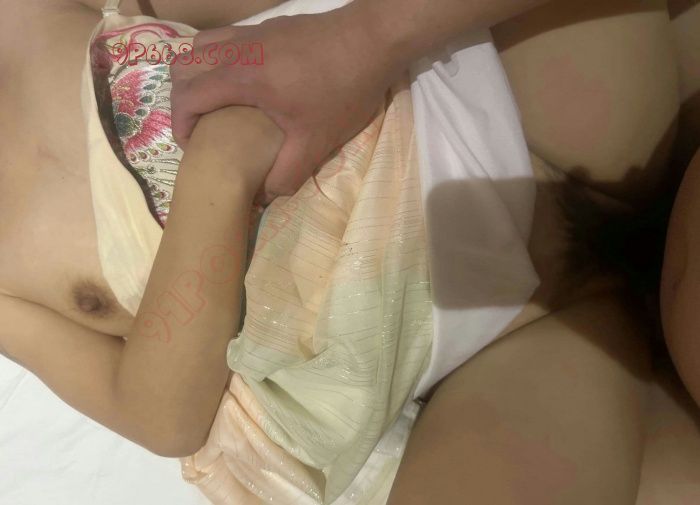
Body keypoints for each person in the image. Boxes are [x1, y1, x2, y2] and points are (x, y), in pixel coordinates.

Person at [0, 1, 698, 504]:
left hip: (471, 98)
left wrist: (358, 38)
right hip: (471, 349)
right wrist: (220, 169)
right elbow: (160, 417)